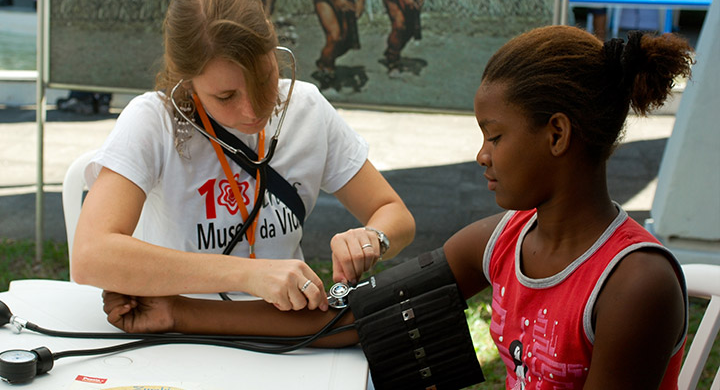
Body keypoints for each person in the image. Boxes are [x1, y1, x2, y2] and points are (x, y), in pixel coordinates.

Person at [103, 25, 692, 389]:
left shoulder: (634, 285)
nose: (481, 155)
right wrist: (179, 314)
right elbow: (357, 318)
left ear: (558, 134)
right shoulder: (501, 240)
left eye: (495, 135)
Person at [71, 0, 415, 314]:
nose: (253, 110)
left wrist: (373, 237)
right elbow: (90, 256)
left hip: (284, 328)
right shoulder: (154, 121)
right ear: (188, 83)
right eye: (225, 96)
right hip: (183, 330)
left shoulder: (307, 108)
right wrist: (249, 276)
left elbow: (395, 214)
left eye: (264, 79)